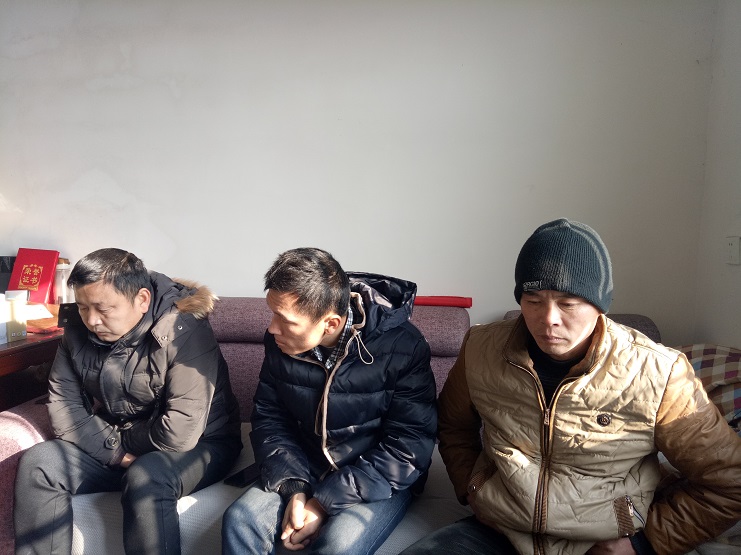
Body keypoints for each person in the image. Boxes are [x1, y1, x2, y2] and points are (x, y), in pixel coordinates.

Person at [401, 219, 741, 555]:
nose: (548, 318)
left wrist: (644, 543)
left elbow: (730, 480)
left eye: (568, 303)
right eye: (533, 300)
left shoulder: (659, 373)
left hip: (599, 542)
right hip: (500, 530)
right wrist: (472, 489)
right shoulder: (480, 348)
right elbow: (453, 426)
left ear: (599, 305)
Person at [14, 248, 242, 554]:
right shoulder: (77, 328)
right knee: (40, 463)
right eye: (82, 307)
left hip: (201, 443)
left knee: (147, 476)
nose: (92, 320)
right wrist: (115, 451)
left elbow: (181, 431)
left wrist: (117, 442)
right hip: (117, 440)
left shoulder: (182, 328)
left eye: (103, 309)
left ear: (142, 300)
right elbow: (63, 405)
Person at [221, 247, 437, 554]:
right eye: (272, 313)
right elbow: (270, 417)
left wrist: (322, 503)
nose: (271, 328)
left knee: (338, 545)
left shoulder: (403, 347)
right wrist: (293, 487)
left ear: (331, 324)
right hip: (305, 463)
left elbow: (409, 445)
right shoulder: (279, 342)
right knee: (241, 520)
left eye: (284, 320)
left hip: (375, 474)